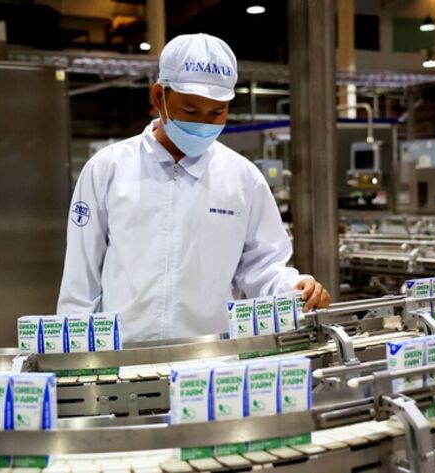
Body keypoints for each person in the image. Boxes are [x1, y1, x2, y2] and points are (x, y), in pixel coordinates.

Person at [58, 33, 331, 342]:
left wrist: (293, 288)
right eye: (190, 111)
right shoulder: (108, 169)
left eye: (217, 112)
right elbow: (81, 279)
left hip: (211, 356)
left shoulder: (243, 179)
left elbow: (264, 267)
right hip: (126, 354)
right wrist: (74, 355)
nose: (204, 123)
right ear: (159, 97)